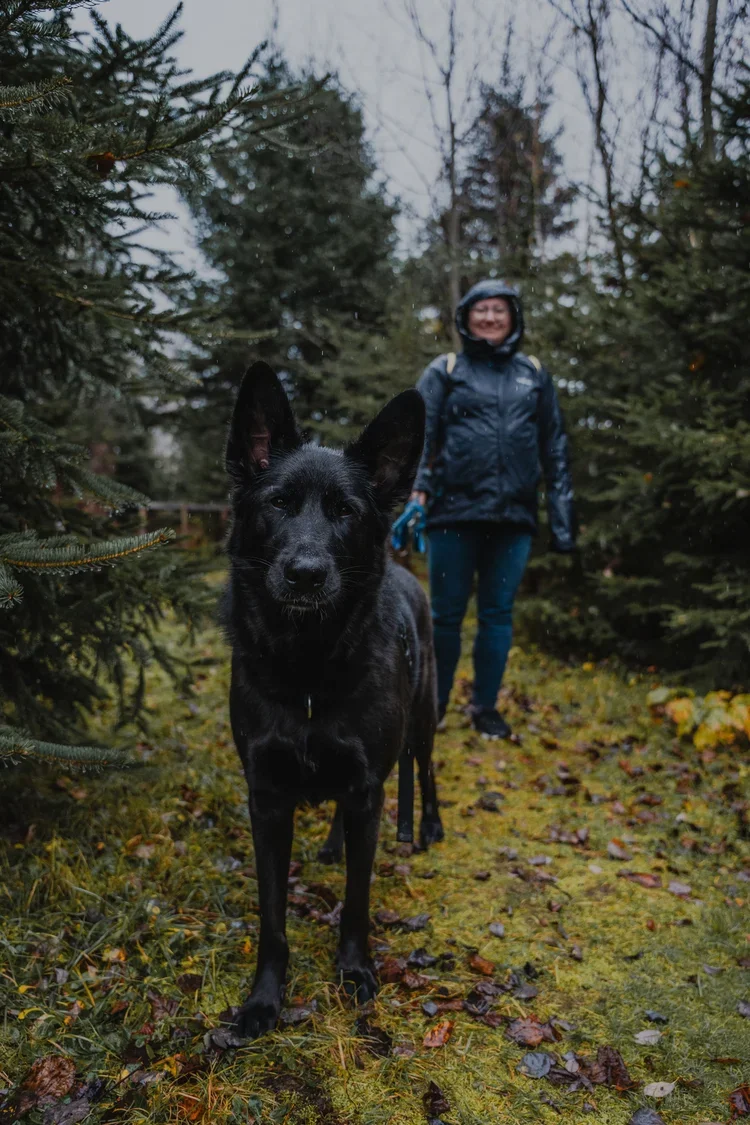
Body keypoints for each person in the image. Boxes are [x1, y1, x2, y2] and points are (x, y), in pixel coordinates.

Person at [393, 279, 575, 739]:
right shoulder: (446, 369)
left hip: (514, 517)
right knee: (444, 616)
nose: (490, 317)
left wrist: (562, 518)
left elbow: (554, 446)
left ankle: (486, 708)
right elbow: (419, 435)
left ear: (513, 318)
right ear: (466, 317)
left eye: (499, 309)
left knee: (497, 615)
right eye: (481, 309)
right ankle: (431, 704)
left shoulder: (534, 373)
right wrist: (417, 492)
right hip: (452, 515)